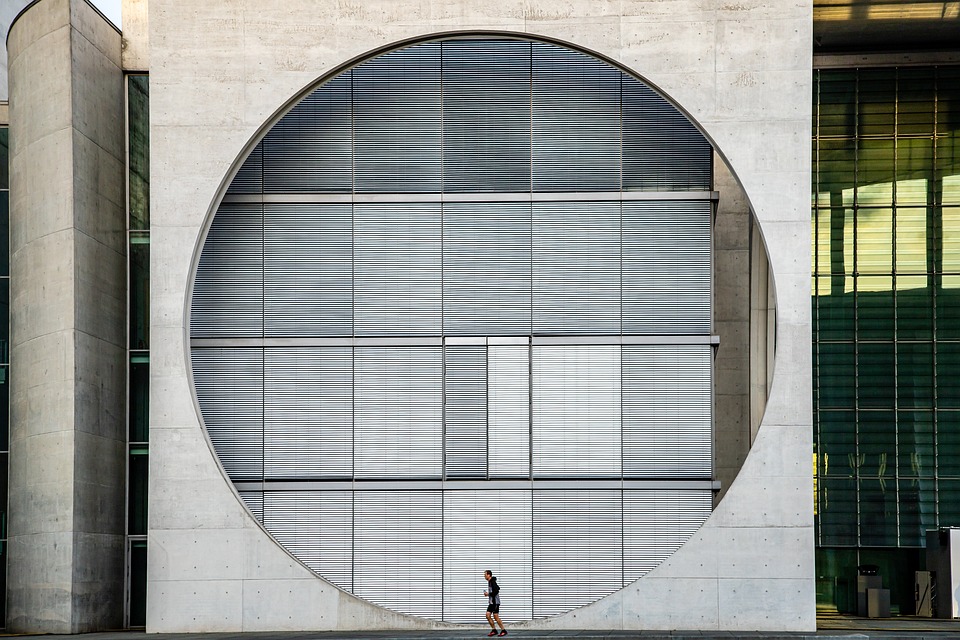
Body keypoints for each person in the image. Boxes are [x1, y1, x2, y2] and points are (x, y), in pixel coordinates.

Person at [483, 569, 507, 636]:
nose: (484, 576)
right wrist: (488, 594)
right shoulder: (490, 581)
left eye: (485, 575)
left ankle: (503, 630)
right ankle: (494, 630)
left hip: (495, 602)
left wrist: (488, 594)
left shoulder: (492, 582)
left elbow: (497, 590)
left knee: (496, 617)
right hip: (491, 603)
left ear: (489, 575)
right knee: (487, 615)